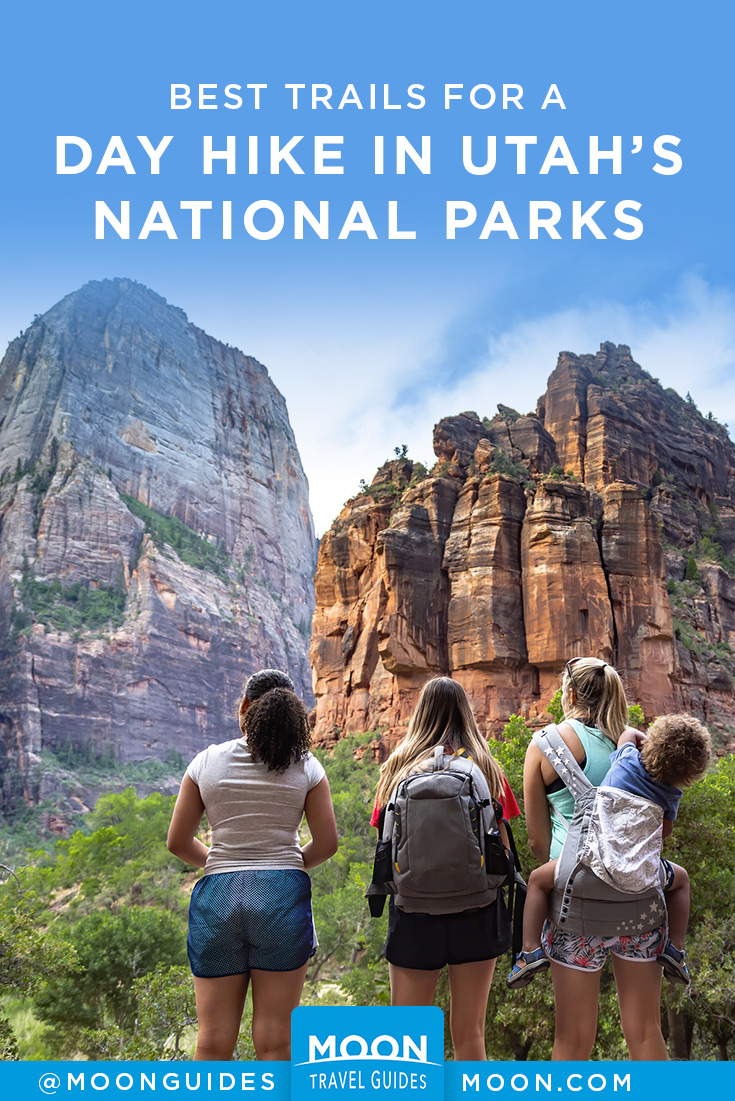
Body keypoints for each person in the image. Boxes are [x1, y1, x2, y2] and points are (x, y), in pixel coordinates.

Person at [167, 669, 338, 1062]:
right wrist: (290, 863)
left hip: (219, 897)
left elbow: (177, 842)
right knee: (277, 1040)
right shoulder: (307, 767)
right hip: (282, 896)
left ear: (244, 707)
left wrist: (220, 861)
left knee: (211, 1041)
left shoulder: (206, 761)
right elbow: (327, 843)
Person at [521, 656, 673, 1061]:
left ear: (570, 693)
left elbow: (537, 842)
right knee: (645, 1031)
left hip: (575, 903)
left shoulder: (546, 745)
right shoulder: (642, 749)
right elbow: (662, 826)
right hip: (639, 901)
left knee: (572, 1039)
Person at [371, 676, 520, 1061]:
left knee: (408, 1042)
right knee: (470, 1037)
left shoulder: (396, 769)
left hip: (413, 912)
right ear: (466, 714)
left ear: (420, 714)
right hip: (478, 910)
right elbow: (502, 848)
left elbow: (385, 844)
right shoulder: (487, 768)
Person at [509, 712, 711, 989]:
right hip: (642, 872)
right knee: (682, 880)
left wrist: (645, 741)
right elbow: (664, 832)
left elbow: (628, 734)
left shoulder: (626, 759)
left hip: (594, 861)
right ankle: (675, 950)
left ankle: (529, 951)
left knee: (537, 881)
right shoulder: (671, 794)